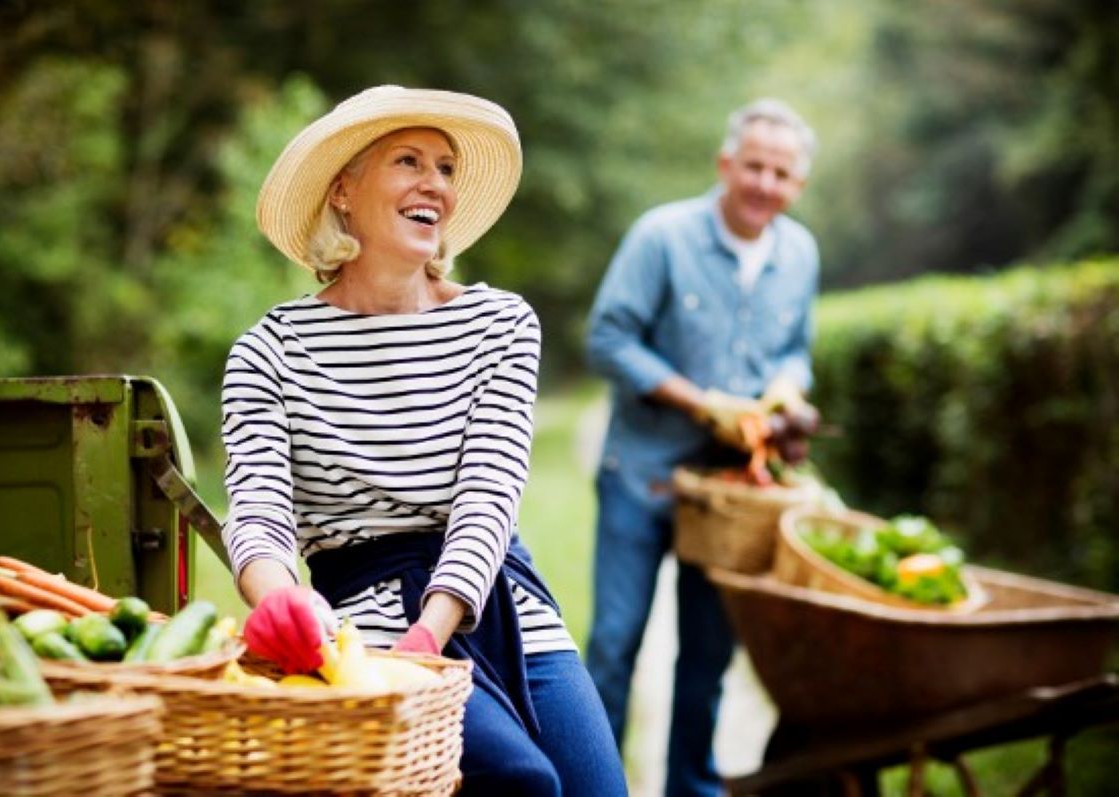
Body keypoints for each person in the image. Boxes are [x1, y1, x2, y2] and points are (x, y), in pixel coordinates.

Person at [221, 85, 628, 797]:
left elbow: (488, 496)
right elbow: (257, 512)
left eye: (446, 168)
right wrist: (278, 601)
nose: (435, 184)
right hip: (364, 623)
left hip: (496, 597)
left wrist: (431, 635)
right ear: (343, 191)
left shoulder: (500, 325)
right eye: (408, 160)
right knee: (521, 781)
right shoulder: (269, 350)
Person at [583, 98, 821, 797]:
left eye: (781, 173)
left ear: (797, 184)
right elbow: (608, 339)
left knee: (709, 655)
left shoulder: (800, 252)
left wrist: (786, 388)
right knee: (615, 645)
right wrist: (699, 401)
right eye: (754, 166)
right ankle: (594, 783)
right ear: (726, 164)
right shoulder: (662, 236)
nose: (765, 184)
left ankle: (690, 786)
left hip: (729, 493)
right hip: (640, 473)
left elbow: (794, 351)